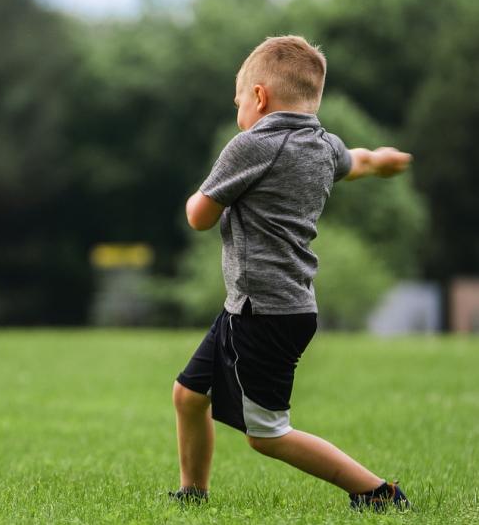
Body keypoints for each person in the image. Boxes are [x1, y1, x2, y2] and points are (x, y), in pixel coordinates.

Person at [171, 35, 412, 511]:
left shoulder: (252, 144)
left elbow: (198, 216)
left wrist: (199, 196)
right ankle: (192, 493)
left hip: (262, 311)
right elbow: (357, 161)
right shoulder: (322, 144)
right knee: (188, 394)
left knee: (267, 434)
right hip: (266, 305)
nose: (239, 108)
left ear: (258, 96)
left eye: (239, 99)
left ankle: (378, 492)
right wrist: (381, 160)